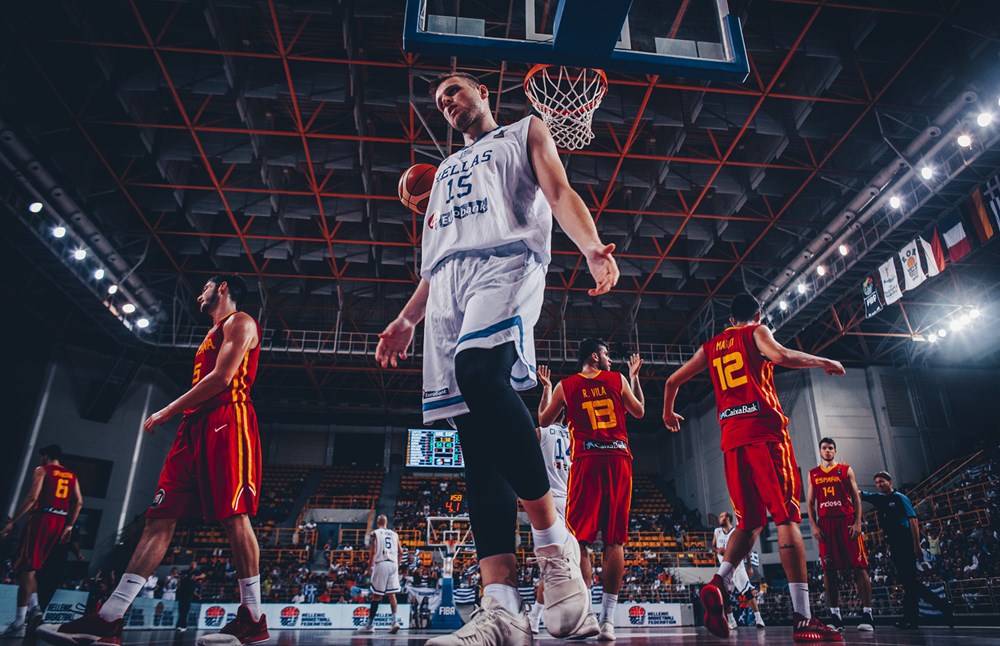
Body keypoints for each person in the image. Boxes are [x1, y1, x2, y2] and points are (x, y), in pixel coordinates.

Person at [376, 71, 619, 646]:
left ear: (483, 91)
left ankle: (552, 541)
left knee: (479, 372)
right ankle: (501, 608)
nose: (447, 103)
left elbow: (558, 191)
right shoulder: (438, 180)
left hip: (505, 264)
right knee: (475, 443)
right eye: (439, 101)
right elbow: (438, 260)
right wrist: (407, 319)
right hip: (448, 292)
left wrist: (591, 248)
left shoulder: (523, 131)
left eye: (454, 91)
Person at [38, 274, 267, 646]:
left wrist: (167, 410)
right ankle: (110, 618)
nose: (199, 294)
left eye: (205, 287)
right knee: (158, 518)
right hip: (193, 427)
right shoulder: (211, 334)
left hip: (228, 419)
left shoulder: (241, 321)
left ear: (223, 287)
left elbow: (224, 377)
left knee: (234, 515)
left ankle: (253, 618)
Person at [663, 292, 844, 642]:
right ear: (757, 315)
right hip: (764, 433)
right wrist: (822, 360)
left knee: (750, 522)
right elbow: (782, 355)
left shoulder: (712, 346)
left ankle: (720, 580)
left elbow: (672, 382)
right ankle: (803, 618)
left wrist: (668, 412)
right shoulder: (756, 332)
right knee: (788, 517)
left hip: (731, 440)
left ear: (730, 320)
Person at [537, 342, 645, 642]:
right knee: (615, 541)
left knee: (579, 541)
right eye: (607, 354)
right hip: (618, 458)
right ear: (594, 356)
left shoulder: (566, 385)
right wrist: (634, 377)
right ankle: (609, 620)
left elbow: (544, 420)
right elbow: (639, 411)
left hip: (586, 460)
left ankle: (586, 616)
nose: (610, 360)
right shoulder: (617, 380)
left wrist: (547, 389)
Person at [1, 444, 82, 638]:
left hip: (41, 519)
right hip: (60, 522)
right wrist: (69, 525)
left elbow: (32, 497)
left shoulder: (42, 470)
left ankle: (19, 622)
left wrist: (12, 521)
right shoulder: (72, 475)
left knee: (26, 570)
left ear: (45, 456)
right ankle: (35, 609)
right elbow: (78, 501)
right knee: (33, 568)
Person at [861, 471, 953, 629]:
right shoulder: (879, 499)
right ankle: (928, 613)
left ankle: (916, 616)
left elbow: (913, 521)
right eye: (876, 482)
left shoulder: (900, 498)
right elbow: (860, 493)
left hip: (906, 542)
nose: (879, 484)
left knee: (909, 582)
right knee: (909, 583)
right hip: (894, 544)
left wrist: (916, 545)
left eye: (882, 481)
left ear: (890, 482)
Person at [806, 437, 873, 631]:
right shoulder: (813, 474)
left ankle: (868, 614)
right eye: (824, 448)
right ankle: (836, 617)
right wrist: (814, 526)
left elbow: (856, 497)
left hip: (847, 522)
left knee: (860, 567)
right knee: (828, 571)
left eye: (831, 448)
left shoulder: (846, 470)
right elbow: (810, 503)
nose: (827, 451)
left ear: (835, 451)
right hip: (826, 525)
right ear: (820, 451)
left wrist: (858, 522)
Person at [526, 395, 571, 635]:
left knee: (551, 565)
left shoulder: (544, 431)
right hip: (569, 499)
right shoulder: (574, 436)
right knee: (571, 560)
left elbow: (523, 445)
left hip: (547, 500)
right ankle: (578, 614)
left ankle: (534, 618)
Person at [710, 512, 765, 630]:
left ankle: (758, 619)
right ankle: (731, 621)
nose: (719, 518)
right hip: (724, 567)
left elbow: (746, 549)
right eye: (719, 516)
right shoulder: (717, 531)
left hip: (737, 566)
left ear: (728, 518)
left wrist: (749, 566)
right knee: (724, 595)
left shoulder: (736, 532)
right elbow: (713, 546)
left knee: (748, 592)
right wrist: (716, 550)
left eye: (722, 516)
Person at [357, 515, 402, 635]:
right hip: (393, 564)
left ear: (377, 522)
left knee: (376, 596)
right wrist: (397, 565)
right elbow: (401, 552)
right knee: (392, 595)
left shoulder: (375, 533)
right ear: (386, 522)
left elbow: (373, 550)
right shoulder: (395, 534)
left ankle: (370, 625)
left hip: (381, 563)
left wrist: (368, 569)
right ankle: (395, 621)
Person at [176, 562, 205, 633]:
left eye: (194, 564)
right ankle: (179, 624)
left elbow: (203, 575)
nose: (193, 565)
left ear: (196, 566)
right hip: (182, 591)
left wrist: (197, 577)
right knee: (181, 608)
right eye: (192, 564)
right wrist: (178, 576)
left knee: (186, 608)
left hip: (190, 592)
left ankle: (184, 625)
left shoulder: (196, 572)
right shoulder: (185, 571)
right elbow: (178, 575)